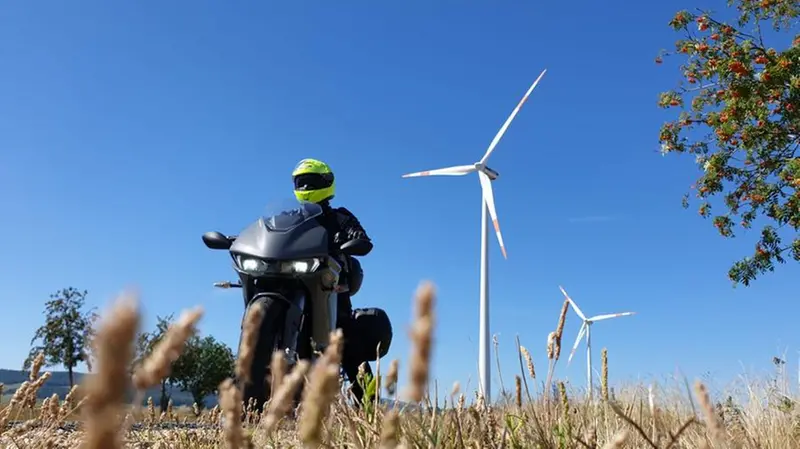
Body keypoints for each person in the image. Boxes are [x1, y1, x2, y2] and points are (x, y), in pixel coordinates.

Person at [292, 158, 392, 404]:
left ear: (326, 184)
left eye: (311, 181)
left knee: (347, 340)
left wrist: (355, 238)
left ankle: (369, 405)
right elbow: (269, 233)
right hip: (292, 283)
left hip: (330, 287)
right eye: (300, 182)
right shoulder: (290, 218)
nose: (305, 187)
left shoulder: (340, 217)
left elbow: (360, 236)